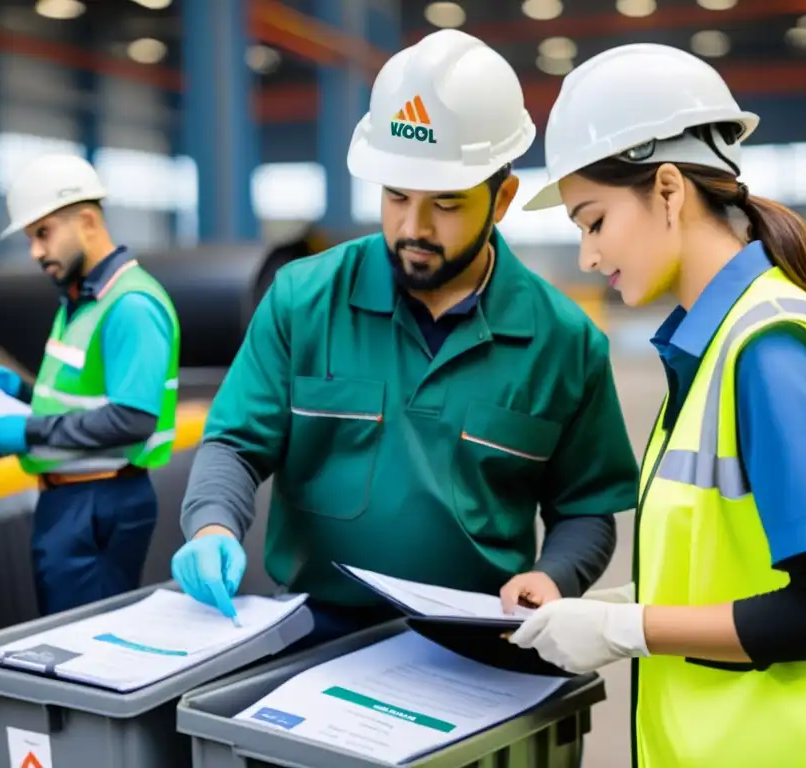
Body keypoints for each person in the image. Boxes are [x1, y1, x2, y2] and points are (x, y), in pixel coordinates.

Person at [508, 43, 806, 766]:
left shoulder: (773, 351)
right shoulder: (712, 352)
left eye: (594, 220)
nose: (586, 255)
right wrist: (607, 609)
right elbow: (733, 571)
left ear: (668, 190)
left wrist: (628, 631)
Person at [170, 29, 639, 644]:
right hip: (317, 633)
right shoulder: (303, 299)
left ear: (502, 199)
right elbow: (234, 444)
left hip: (476, 643)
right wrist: (212, 526)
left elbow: (584, 507)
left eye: (446, 203)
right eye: (395, 196)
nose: (412, 227)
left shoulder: (564, 342)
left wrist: (555, 575)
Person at [0, 153, 181, 616]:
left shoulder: (131, 306)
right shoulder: (82, 300)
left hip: (100, 503)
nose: (36, 252)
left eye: (43, 234)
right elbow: (85, 393)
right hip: (73, 499)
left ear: (86, 220)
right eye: (30, 238)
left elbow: (133, 418)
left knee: (87, 648)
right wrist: (22, 394)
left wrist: (28, 431)